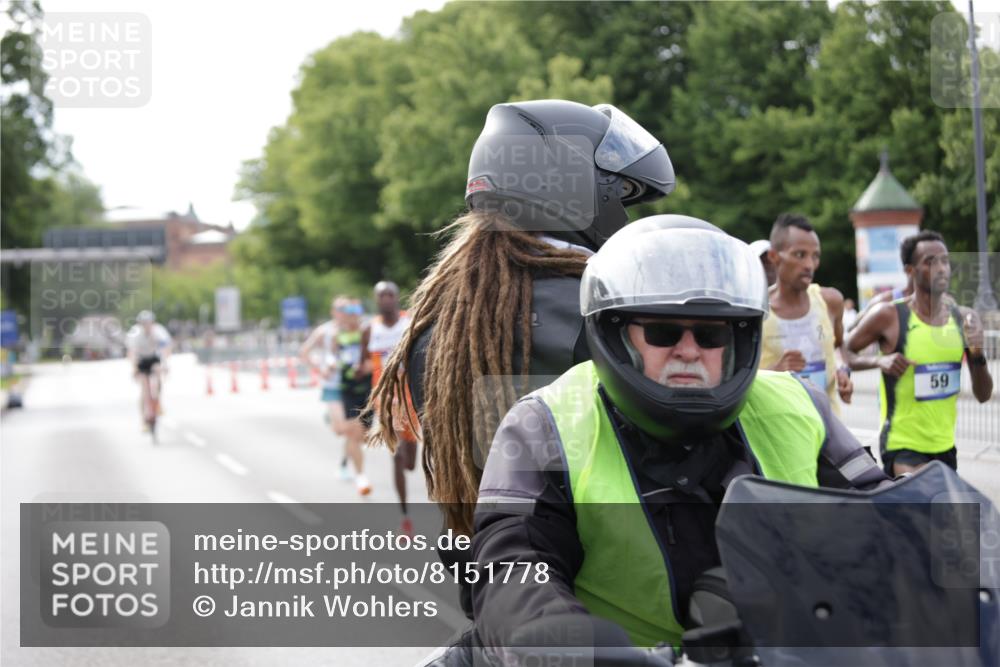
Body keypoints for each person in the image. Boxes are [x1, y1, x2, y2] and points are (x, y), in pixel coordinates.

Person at [471, 216, 888, 656]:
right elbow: (512, 566)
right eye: (663, 332)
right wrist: (568, 640)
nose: (689, 351)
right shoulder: (546, 423)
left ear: (738, 338)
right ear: (615, 333)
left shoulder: (796, 404)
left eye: (710, 334)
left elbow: (881, 509)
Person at [369, 100, 674, 664]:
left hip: (502, 606)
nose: (624, 216)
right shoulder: (597, 306)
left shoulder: (444, 318)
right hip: (617, 612)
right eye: (618, 196)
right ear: (574, 187)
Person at [845, 230, 993, 477]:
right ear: (910, 270)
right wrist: (879, 361)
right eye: (930, 262)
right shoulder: (890, 315)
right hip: (902, 445)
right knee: (928, 494)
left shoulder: (963, 319)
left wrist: (978, 355)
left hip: (945, 447)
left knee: (940, 500)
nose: (941, 268)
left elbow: (984, 395)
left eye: (945, 261)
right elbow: (847, 349)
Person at [759, 213, 853, 414]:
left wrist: (843, 370)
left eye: (815, 256)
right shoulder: (756, 312)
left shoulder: (831, 301)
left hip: (827, 424)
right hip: (780, 425)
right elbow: (736, 379)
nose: (809, 265)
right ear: (774, 257)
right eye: (800, 255)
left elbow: (839, 345)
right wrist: (776, 372)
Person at [359, 281, 417, 533]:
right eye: (381, 295)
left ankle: (407, 454)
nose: (386, 299)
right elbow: (363, 363)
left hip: (410, 396)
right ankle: (405, 517)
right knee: (397, 456)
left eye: (390, 294)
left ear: (396, 297)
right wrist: (360, 370)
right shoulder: (369, 329)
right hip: (385, 398)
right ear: (376, 299)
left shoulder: (409, 322)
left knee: (410, 463)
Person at [300, 296, 352, 481]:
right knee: (340, 429)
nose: (343, 313)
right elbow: (304, 352)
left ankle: (344, 463)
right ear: (333, 311)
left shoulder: (357, 330)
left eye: (347, 309)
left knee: (351, 429)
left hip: (351, 385)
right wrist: (319, 370)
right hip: (332, 384)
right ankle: (331, 416)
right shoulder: (324, 331)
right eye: (340, 309)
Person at [332, 298, 373, 496]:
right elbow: (333, 356)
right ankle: (361, 477)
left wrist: (369, 366)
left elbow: (377, 356)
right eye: (349, 314)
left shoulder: (367, 332)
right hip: (347, 388)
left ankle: (345, 460)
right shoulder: (337, 335)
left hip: (368, 388)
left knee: (364, 436)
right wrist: (331, 364)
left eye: (355, 313)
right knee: (353, 432)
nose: (352, 317)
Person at [126, 310, 172, 427]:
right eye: (144, 323)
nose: (147, 326)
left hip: (153, 358)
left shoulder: (159, 331)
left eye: (149, 323)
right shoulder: (135, 333)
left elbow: (166, 348)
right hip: (141, 359)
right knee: (144, 390)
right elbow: (131, 353)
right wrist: (134, 368)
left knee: (158, 376)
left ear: (153, 323)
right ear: (140, 324)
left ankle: (158, 401)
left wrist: (165, 364)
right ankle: (143, 420)